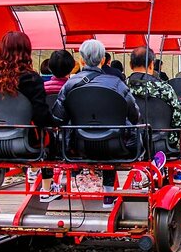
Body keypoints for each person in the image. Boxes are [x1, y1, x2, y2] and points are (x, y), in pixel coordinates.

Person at [53, 39, 140, 208]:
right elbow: (135, 115)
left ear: (81, 60)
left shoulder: (70, 85)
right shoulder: (117, 84)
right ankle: (108, 193)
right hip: (115, 145)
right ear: (102, 60)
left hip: (78, 145)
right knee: (111, 130)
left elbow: (58, 117)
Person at [0, 32, 58, 201]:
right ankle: (47, 185)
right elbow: (41, 116)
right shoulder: (31, 78)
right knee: (51, 137)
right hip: (24, 142)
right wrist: (56, 122)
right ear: (26, 50)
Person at [127, 46, 181, 158]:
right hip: (162, 144)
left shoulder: (122, 87)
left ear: (130, 65)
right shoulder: (165, 89)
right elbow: (180, 121)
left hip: (130, 144)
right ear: (152, 64)